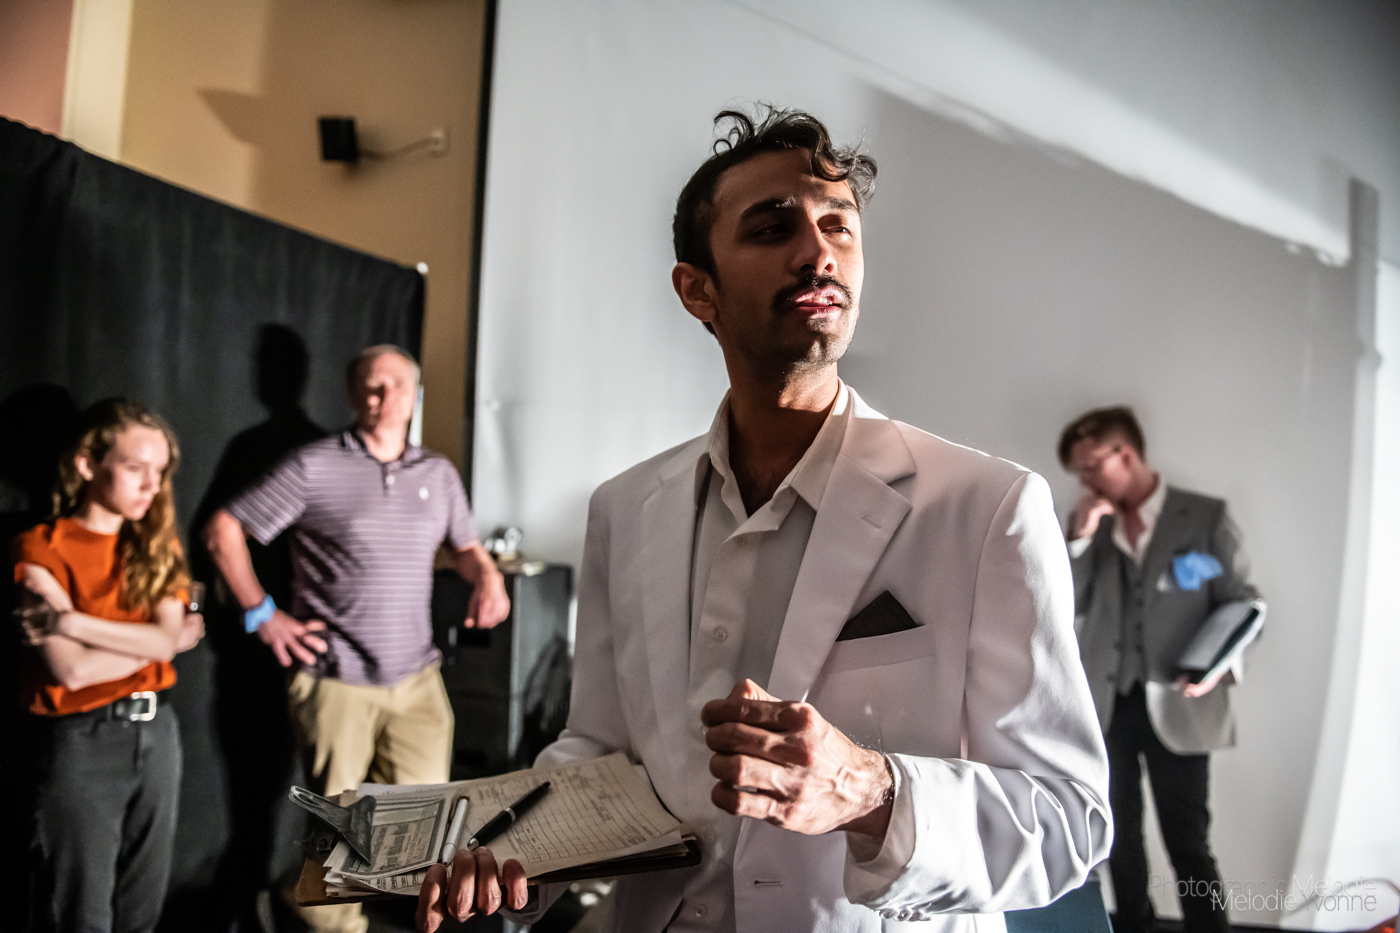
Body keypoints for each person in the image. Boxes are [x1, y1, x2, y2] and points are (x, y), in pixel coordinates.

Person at [418, 106, 1112, 933]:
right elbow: (600, 753)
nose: (819, 251)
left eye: (838, 225)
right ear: (697, 289)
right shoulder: (624, 508)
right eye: (772, 227)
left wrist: (869, 790)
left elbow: (1070, 819)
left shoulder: (987, 507)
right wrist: (511, 852)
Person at [204, 344, 510, 933]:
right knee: (342, 832)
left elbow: (466, 547)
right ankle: (325, 920)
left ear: (414, 395)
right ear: (351, 395)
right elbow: (224, 529)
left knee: (425, 825)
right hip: (336, 677)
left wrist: (488, 576)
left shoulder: (438, 473)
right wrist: (262, 615)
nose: (384, 396)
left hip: (416, 678)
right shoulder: (314, 465)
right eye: (372, 385)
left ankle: (302, 897)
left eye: (397, 385)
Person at [1058, 406, 1260, 933]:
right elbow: (1065, 603)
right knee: (1117, 836)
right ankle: (1134, 927)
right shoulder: (1093, 524)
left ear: (1125, 455)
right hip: (1107, 703)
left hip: (1181, 700)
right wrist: (1079, 537)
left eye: (1090, 466)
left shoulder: (1205, 516)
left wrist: (1216, 666)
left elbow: (1242, 603)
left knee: (1188, 839)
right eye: (1079, 471)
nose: (1084, 481)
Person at [13, 398, 205, 933]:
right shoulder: (40, 546)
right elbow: (72, 671)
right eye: (136, 468)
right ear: (86, 464)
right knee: (83, 915)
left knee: (141, 912)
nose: (151, 485)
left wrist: (71, 621)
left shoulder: (156, 545)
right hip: (82, 741)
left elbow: (165, 638)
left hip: (158, 733)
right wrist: (160, 643)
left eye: (160, 471)